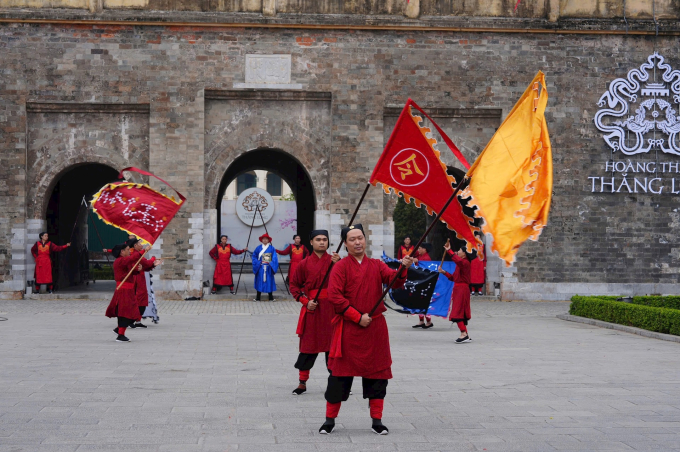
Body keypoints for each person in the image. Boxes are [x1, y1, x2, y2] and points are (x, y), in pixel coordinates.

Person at [319, 224, 413, 435]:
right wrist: (356, 316)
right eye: (352, 239)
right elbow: (335, 296)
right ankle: (329, 420)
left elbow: (394, 282)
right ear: (345, 243)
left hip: (374, 329)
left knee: (378, 376)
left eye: (360, 237)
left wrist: (403, 267)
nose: (357, 242)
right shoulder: (340, 267)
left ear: (365, 239)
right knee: (339, 377)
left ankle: (377, 421)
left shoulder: (377, 265)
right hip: (349, 329)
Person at [289, 230, 341, 396]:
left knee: (333, 347)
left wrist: (340, 264)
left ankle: (336, 381)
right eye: (318, 240)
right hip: (313, 308)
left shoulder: (336, 261)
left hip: (332, 309)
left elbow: (348, 281)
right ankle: (302, 382)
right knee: (308, 346)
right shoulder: (304, 264)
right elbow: (294, 286)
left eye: (325, 239)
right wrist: (306, 302)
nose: (322, 242)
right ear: (311, 242)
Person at [105, 243, 144, 342]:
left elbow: (130, 272)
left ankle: (119, 329)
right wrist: (143, 251)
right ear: (122, 252)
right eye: (127, 249)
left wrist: (137, 270)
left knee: (133, 312)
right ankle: (120, 334)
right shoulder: (120, 261)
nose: (129, 251)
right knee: (124, 312)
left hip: (128, 290)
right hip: (123, 290)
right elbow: (131, 259)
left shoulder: (123, 262)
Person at [438, 242, 472, 343]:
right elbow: (454, 278)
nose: (458, 252)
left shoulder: (465, 263)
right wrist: (444, 272)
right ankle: (465, 333)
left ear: (465, 253)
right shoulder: (460, 264)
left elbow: (458, 260)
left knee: (457, 312)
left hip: (462, 289)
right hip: (458, 288)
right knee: (459, 310)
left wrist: (449, 250)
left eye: (460, 250)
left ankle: (463, 333)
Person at [128, 237, 161, 329]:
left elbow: (145, 267)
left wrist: (153, 264)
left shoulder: (137, 254)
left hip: (140, 278)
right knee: (140, 300)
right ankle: (131, 320)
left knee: (141, 300)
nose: (141, 245)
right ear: (135, 245)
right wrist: (153, 259)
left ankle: (137, 321)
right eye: (139, 243)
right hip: (137, 280)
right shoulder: (135, 254)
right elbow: (146, 263)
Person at [412, 243, 434, 329]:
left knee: (425, 302)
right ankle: (421, 320)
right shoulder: (420, 257)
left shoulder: (426, 258)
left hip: (425, 283)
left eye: (420, 248)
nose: (418, 250)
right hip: (420, 282)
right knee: (419, 302)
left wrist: (417, 261)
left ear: (425, 250)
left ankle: (428, 321)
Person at [252, 233, 278, 301]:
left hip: (269, 267)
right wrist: (258, 262)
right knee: (259, 282)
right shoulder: (258, 248)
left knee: (269, 281)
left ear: (268, 240)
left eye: (266, 239)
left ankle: (270, 297)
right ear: (262, 240)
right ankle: (258, 297)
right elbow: (254, 256)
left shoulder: (272, 248)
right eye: (263, 239)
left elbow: (274, 258)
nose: (265, 240)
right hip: (260, 267)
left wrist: (271, 263)